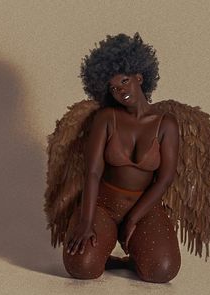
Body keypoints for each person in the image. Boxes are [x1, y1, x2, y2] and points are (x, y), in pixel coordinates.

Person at [62, 33, 181, 283]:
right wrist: (86, 221)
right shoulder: (106, 118)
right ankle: (106, 256)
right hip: (103, 205)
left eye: (125, 81)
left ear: (140, 77)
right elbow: (92, 172)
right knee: (81, 267)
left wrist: (134, 218)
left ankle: (129, 260)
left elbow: (165, 178)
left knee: (163, 271)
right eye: (114, 88)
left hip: (143, 207)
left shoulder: (165, 124)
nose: (121, 91)